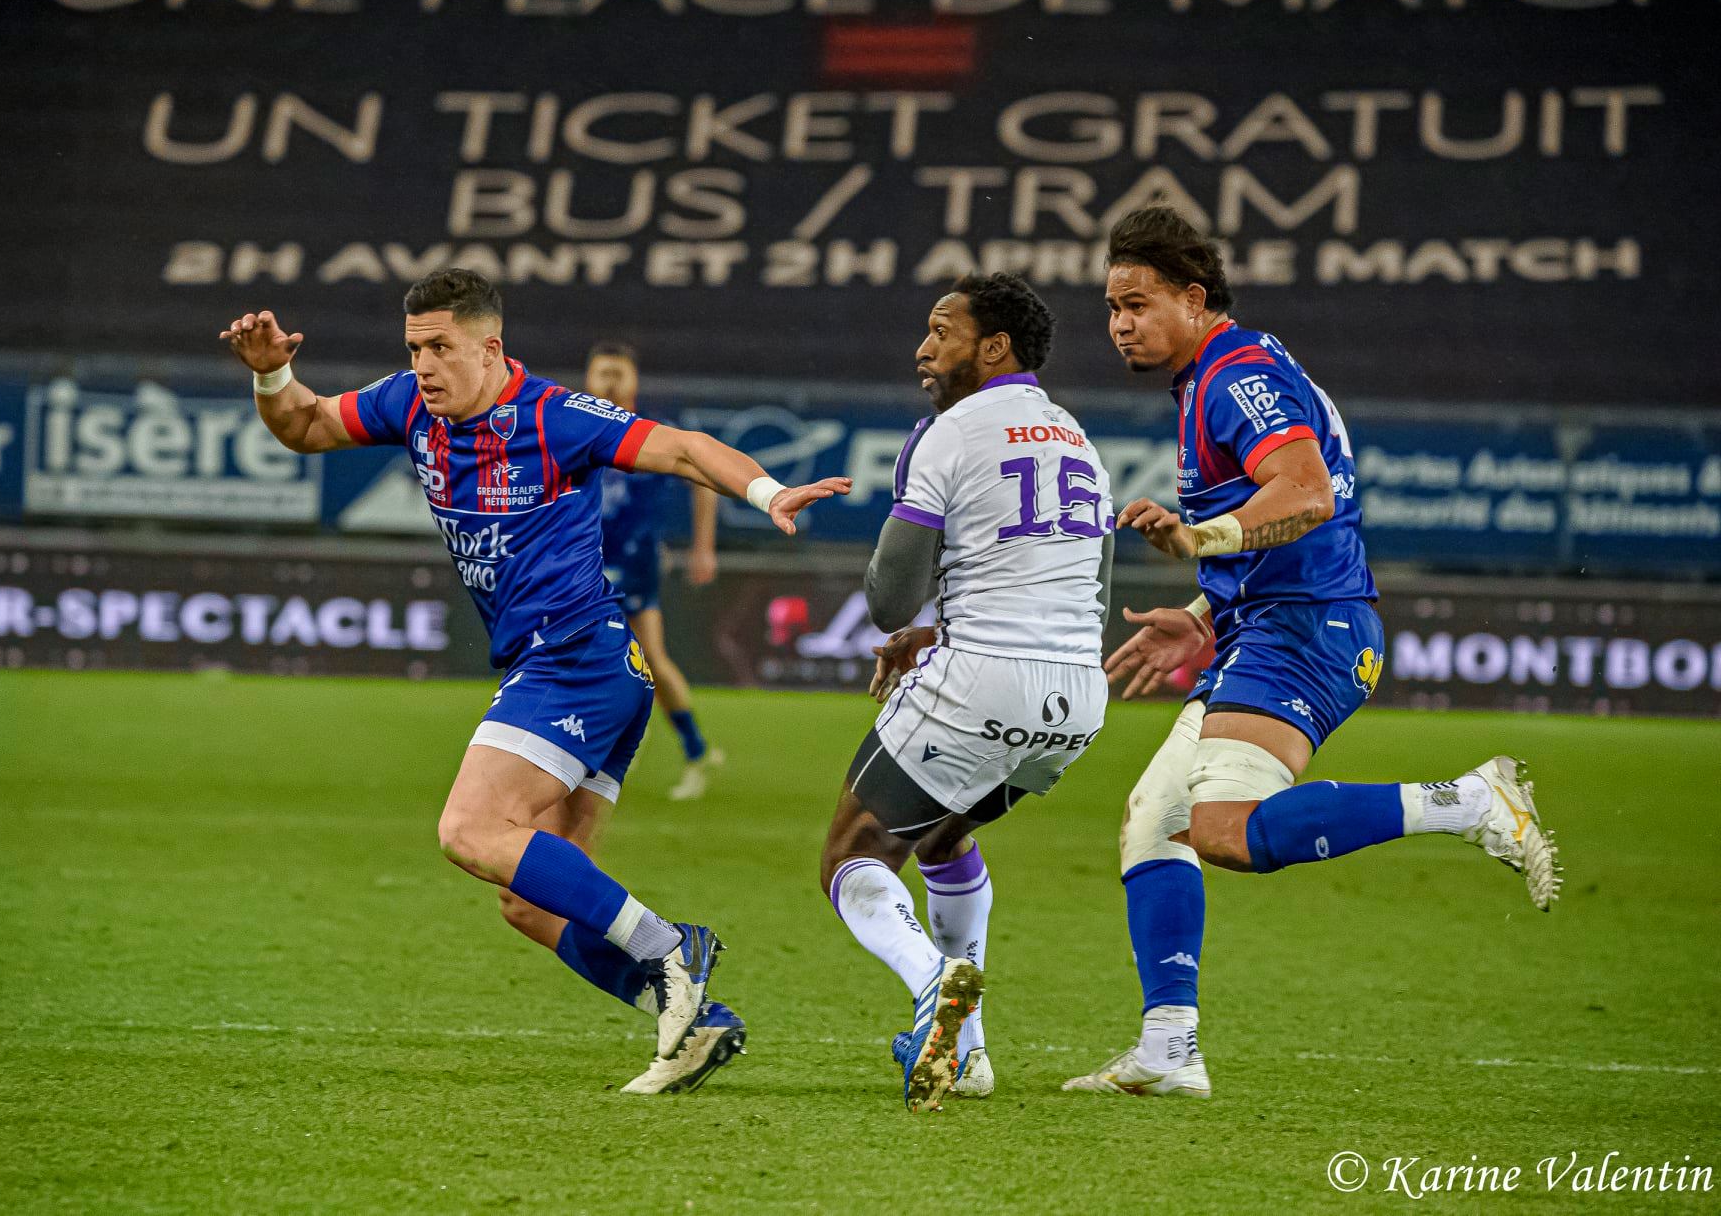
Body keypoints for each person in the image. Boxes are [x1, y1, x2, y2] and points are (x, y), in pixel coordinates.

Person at [219, 269, 849, 1094]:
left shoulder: (555, 416)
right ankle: (691, 1015)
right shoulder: (409, 405)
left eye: (440, 348)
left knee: (469, 829)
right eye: (413, 349)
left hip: (575, 659)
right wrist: (272, 373)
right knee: (532, 901)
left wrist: (767, 492)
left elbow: (684, 449)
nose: (424, 367)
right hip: (589, 672)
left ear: (491, 348)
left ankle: (671, 948)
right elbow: (304, 425)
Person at [1063, 207, 1562, 1100]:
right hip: (1271, 623)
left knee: (1224, 831)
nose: (1120, 325)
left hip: (1307, 631)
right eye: (1111, 308)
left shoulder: (1235, 375)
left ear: (1193, 298)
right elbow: (1287, 520)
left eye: (1137, 304)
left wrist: (1200, 539)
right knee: (1155, 820)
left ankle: (1468, 802)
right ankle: (1169, 1050)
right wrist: (1203, 614)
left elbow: (1307, 493)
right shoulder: (1217, 373)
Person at [817, 273, 1116, 1111]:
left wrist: (923, 623)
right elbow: (1088, 596)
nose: (923, 349)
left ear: (994, 347)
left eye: (941, 331)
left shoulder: (944, 434)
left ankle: (933, 983)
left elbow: (888, 600)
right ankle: (972, 1056)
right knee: (943, 839)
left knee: (854, 854)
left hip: (981, 682)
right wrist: (942, 633)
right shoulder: (1077, 438)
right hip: (1077, 698)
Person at [584, 342, 726, 802]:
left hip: (634, 561)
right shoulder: (573, 426)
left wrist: (703, 546)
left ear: (634, 382)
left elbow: (706, 480)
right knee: (585, 656)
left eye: (618, 373)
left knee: (649, 659)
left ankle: (692, 749)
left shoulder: (650, 433)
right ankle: (607, 746)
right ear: (587, 379)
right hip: (581, 562)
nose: (610, 383)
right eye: (602, 373)